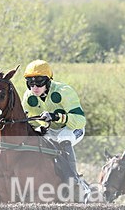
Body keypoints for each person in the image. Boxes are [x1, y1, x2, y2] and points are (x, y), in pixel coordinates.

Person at [21, 59, 90, 199]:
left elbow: (80, 120)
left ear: (48, 81)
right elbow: (30, 122)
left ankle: (73, 181)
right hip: (50, 130)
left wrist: (56, 117)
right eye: (30, 83)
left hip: (72, 129)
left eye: (39, 82)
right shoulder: (28, 97)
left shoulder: (64, 91)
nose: (34, 87)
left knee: (62, 138)